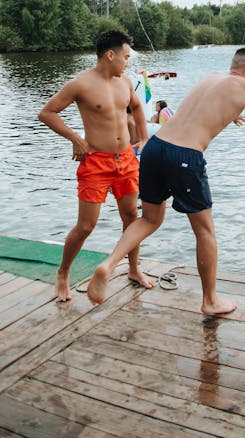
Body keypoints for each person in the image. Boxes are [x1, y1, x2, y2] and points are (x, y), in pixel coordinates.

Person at [87, 47, 245, 314]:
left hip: (155, 148)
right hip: (185, 155)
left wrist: (241, 109)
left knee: (148, 219)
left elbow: (207, 109)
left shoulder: (211, 77)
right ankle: (210, 301)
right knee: (205, 231)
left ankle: (109, 264)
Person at [38, 30, 155, 301]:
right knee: (86, 226)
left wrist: (144, 138)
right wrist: (76, 138)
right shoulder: (80, 84)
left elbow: (137, 107)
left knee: (131, 219)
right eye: (125, 57)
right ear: (110, 55)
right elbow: (47, 113)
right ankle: (63, 274)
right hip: (96, 163)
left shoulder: (125, 82)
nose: (128, 62)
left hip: (126, 159)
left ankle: (134, 269)